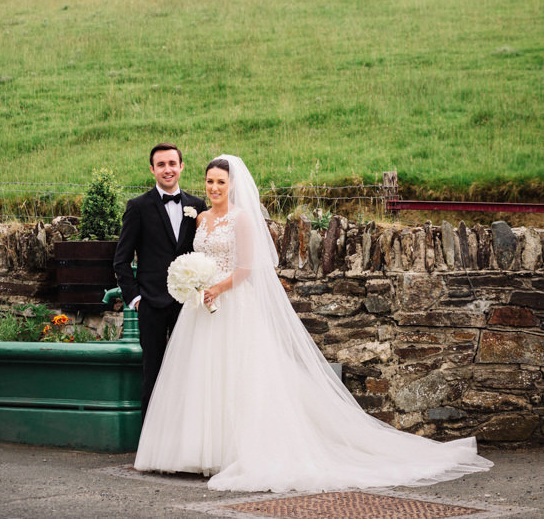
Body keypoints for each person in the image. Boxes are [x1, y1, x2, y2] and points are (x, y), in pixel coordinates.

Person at [134, 154, 493, 493]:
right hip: (202, 308)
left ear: (232, 185)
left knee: (240, 376)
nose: (213, 188)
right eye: (210, 182)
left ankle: (234, 450)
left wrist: (217, 287)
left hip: (233, 304)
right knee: (202, 376)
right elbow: (198, 257)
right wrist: (196, 283)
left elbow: (247, 268)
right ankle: (197, 451)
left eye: (220, 182)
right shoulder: (200, 219)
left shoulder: (242, 219)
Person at [113, 143, 206, 419]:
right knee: (152, 372)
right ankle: (150, 446)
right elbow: (121, 259)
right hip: (151, 304)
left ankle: (182, 442)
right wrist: (136, 298)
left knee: (187, 371)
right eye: (161, 164)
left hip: (187, 306)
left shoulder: (196, 206)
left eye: (172, 163)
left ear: (181, 167)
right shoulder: (138, 207)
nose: (168, 169)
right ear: (152, 169)